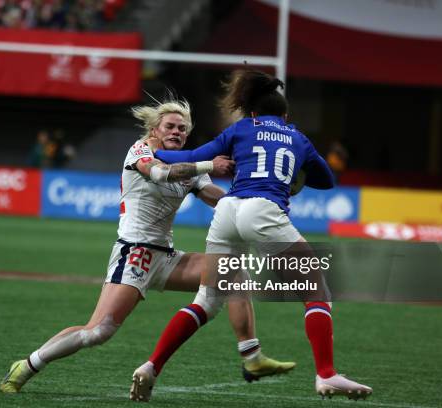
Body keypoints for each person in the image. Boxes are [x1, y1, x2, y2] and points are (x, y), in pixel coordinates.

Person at [0, 98, 295, 394]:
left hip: (166, 257)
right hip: (134, 253)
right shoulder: (141, 150)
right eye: (170, 126)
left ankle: (251, 355)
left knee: (234, 272)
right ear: (154, 129)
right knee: (98, 332)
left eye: (182, 128)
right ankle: (27, 364)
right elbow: (158, 173)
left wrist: (255, 199)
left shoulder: (189, 166)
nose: (177, 132)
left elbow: (216, 198)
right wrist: (208, 164)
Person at [130, 70, 372, 401]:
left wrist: (154, 153)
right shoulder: (297, 136)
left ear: (253, 112)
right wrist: (296, 173)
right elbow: (327, 180)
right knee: (317, 288)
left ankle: (151, 366)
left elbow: (191, 156)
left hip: (228, 210)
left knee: (208, 299)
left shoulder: (242, 127)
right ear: (285, 115)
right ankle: (326, 374)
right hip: (264, 209)